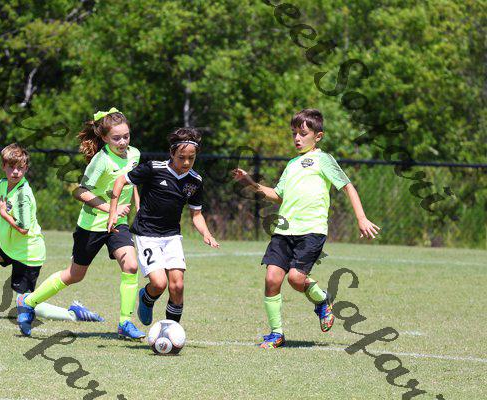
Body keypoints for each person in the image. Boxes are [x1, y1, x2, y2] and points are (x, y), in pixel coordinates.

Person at [232, 108, 380, 348]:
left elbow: (347, 186)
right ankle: (276, 333)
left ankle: (322, 301)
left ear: (318, 136)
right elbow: (277, 195)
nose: (297, 138)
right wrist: (250, 182)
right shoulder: (291, 164)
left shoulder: (324, 159)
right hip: (284, 231)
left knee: (295, 278)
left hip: (312, 230)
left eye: (302, 133)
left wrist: (361, 218)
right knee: (271, 278)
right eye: (294, 133)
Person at [16, 108, 145, 339]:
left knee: (131, 266)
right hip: (92, 225)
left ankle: (125, 323)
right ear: (104, 138)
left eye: (126, 136)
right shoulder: (101, 160)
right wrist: (110, 209)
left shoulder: (135, 154)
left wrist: (139, 206)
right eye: (116, 138)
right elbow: (80, 191)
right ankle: (28, 301)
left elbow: (132, 181)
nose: (123, 142)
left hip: (118, 224)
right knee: (75, 275)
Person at [0, 143, 101, 324]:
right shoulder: (2, 184)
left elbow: (23, 229)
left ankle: (74, 314)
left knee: (26, 304)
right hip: (7, 246)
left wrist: (5, 214)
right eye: (11, 167)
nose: (15, 172)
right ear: (3, 166)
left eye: (20, 168)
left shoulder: (24, 195)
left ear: (26, 168)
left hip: (28, 253)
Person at [107, 127, 219, 327]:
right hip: (146, 234)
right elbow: (121, 180)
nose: (186, 162)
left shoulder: (195, 181)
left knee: (178, 286)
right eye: (181, 157)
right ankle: (146, 297)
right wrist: (113, 211)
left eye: (191, 158)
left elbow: (196, 214)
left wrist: (206, 233)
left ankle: (170, 330)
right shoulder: (154, 169)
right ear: (172, 153)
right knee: (159, 284)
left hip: (172, 236)